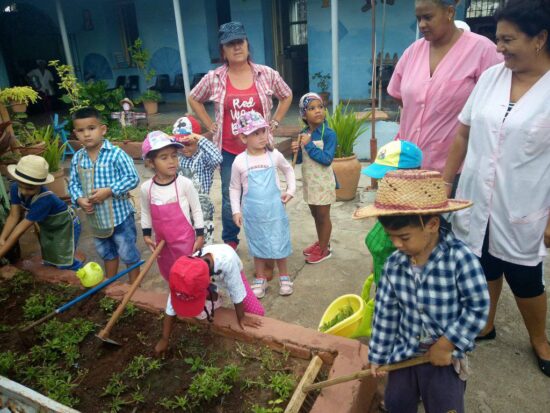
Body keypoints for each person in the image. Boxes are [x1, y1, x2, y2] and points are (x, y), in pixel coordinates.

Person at [442, 0, 550, 376]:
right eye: (497, 38)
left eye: (508, 39)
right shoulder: (491, 78)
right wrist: (445, 184)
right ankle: (485, 324)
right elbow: (462, 134)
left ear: (540, 39)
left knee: (525, 277)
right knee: (481, 261)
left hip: (526, 201)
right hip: (475, 195)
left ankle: (539, 338)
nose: (499, 47)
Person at [354, 170, 489, 413]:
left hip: (443, 360)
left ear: (432, 224)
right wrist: (378, 355)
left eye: (404, 237)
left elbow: (477, 307)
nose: (396, 244)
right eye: (390, 236)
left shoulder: (460, 259)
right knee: (397, 403)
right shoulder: (395, 264)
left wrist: (447, 344)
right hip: (403, 354)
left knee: (444, 406)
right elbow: (386, 314)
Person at [188, 21, 292, 251]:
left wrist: (274, 122)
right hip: (228, 151)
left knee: (265, 195)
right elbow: (194, 97)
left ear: (247, 44)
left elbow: (286, 95)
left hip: (260, 149)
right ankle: (231, 242)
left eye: (240, 42)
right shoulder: (215, 77)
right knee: (229, 197)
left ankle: (268, 239)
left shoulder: (266, 74)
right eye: (230, 44)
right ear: (223, 50)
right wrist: (209, 124)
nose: (236, 47)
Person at [388, 0, 501, 177]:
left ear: (449, 12)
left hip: (457, 170)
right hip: (409, 167)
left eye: (428, 17)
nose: (421, 24)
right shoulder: (412, 52)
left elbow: (498, 107)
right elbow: (398, 95)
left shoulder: (483, 51)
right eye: (418, 18)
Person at [69, 107, 141, 283]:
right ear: (75, 133)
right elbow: (73, 183)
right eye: (81, 130)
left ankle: (135, 287)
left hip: (121, 217)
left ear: (103, 129)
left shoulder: (116, 154)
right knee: (106, 252)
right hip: (96, 219)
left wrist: (109, 190)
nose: (86, 134)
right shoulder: (77, 158)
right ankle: (111, 282)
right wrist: (79, 199)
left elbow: (133, 178)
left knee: (128, 252)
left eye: (91, 128)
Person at [230, 111, 295, 298]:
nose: (261, 137)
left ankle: (284, 276)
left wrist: (290, 191)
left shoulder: (274, 156)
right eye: (255, 133)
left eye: (263, 132)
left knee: (279, 242)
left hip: (275, 211)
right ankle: (260, 278)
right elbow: (234, 188)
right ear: (243, 137)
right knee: (257, 245)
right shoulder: (239, 161)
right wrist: (236, 211)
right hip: (253, 214)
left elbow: (288, 170)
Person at [154, 248, 264, 356]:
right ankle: (215, 296)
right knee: (201, 314)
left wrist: (242, 317)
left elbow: (236, 289)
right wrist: (164, 338)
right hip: (210, 281)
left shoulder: (227, 261)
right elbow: (171, 304)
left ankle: (214, 296)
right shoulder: (184, 275)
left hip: (232, 275)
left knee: (257, 312)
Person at [140, 131, 205, 281]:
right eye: (164, 157)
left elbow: (196, 209)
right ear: (150, 162)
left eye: (174, 155)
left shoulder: (184, 184)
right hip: (163, 245)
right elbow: (145, 212)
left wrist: (200, 235)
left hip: (186, 242)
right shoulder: (147, 188)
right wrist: (146, 235)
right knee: (171, 273)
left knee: (191, 272)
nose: (172, 161)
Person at [0, 155, 82, 269]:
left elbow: (19, 230)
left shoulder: (44, 199)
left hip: (66, 226)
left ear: (41, 184)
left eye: (30, 188)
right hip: (48, 225)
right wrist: (2, 238)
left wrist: (1, 252)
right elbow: (13, 216)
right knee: (50, 257)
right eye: (21, 186)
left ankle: (81, 272)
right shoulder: (15, 187)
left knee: (64, 260)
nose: (24, 192)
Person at [361, 140, 423, 285]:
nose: (381, 184)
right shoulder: (385, 207)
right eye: (381, 179)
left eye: (386, 179)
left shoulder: (419, 221)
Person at [291, 93, 336, 264]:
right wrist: (295, 150)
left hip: (323, 182)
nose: (318, 111)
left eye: (320, 107)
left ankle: (324, 249)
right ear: (304, 114)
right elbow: (302, 159)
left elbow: (326, 159)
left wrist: (308, 144)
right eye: (311, 108)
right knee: (316, 214)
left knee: (324, 215)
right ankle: (322, 242)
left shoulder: (329, 134)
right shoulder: (304, 133)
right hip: (310, 182)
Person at [173, 115, 222, 245]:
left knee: (204, 242)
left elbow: (218, 158)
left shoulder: (203, 158)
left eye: (188, 144)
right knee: (186, 239)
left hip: (202, 209)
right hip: (182, 205)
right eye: (180, 145)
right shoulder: (177, 158)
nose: (184, 148)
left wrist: (200, 138)